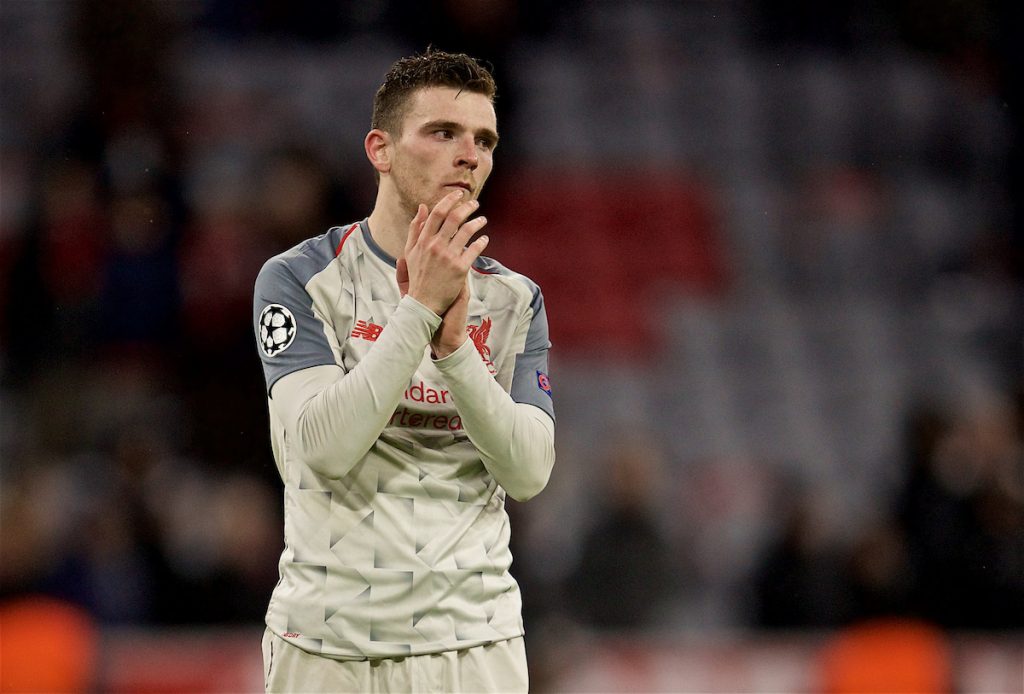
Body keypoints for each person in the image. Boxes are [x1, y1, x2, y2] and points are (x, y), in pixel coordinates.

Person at [252, 49, 555, 693]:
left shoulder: (515, 301)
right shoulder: (299, 278)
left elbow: (529, 472)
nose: (468, 154)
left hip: (474, 645)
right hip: (327, 645)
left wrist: (455, 351)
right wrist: (419, 309)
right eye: (443, 133)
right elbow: (322, 450)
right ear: (380, 150)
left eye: (484, 140)